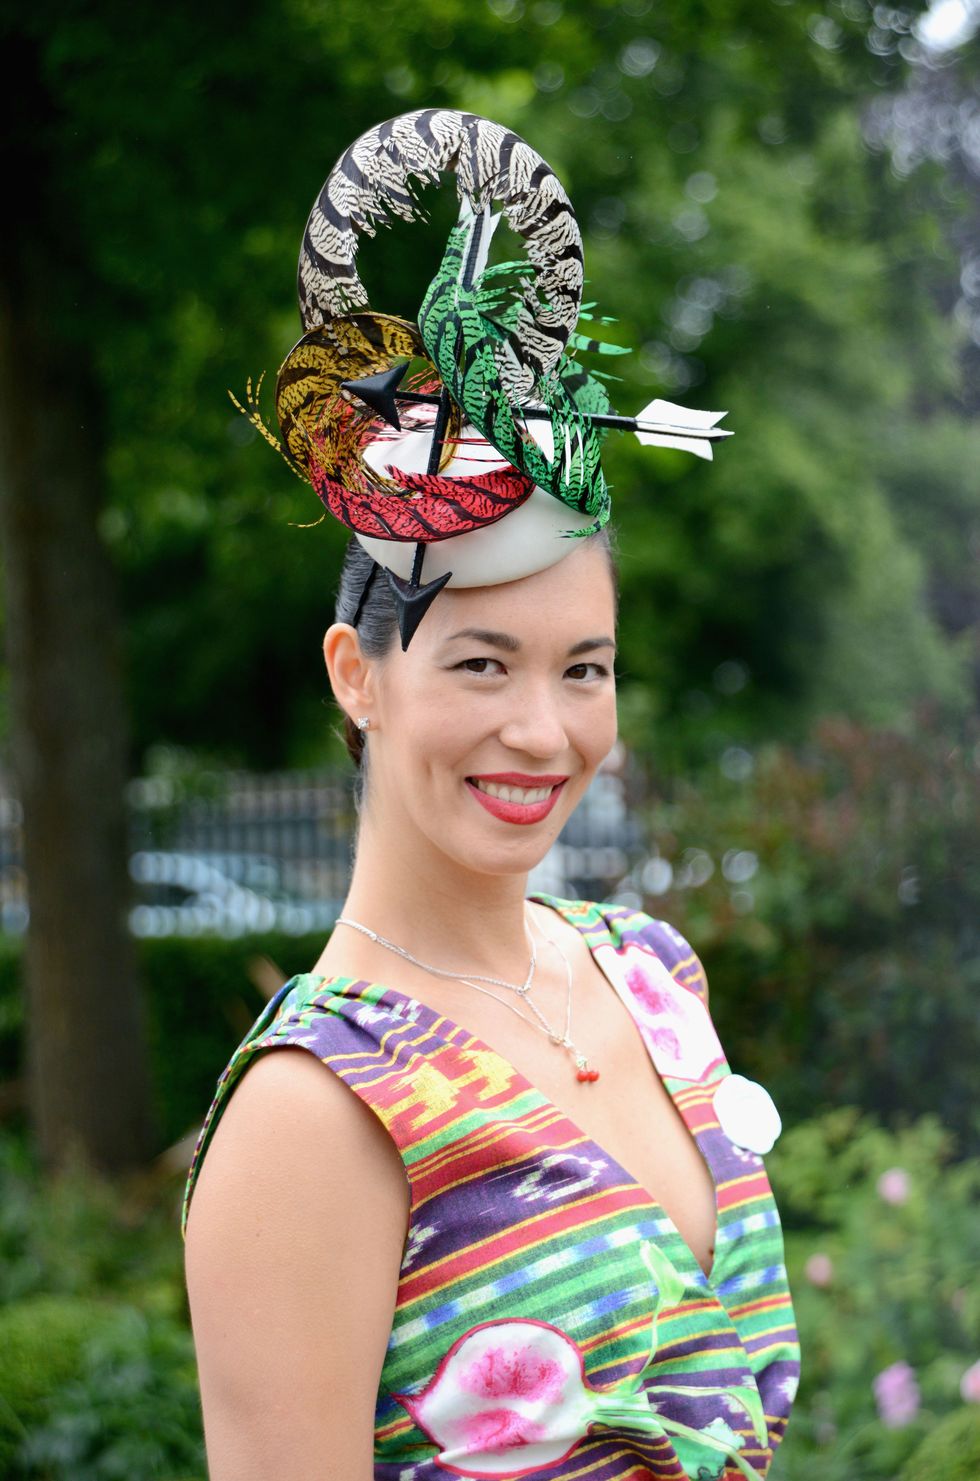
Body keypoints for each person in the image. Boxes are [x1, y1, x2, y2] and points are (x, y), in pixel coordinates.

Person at [181, 109, 800, 1480]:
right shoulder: (317, 1108)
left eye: (585, 666)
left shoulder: (650, 973)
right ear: (360, 674)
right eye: (480, 660)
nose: (542, 726)